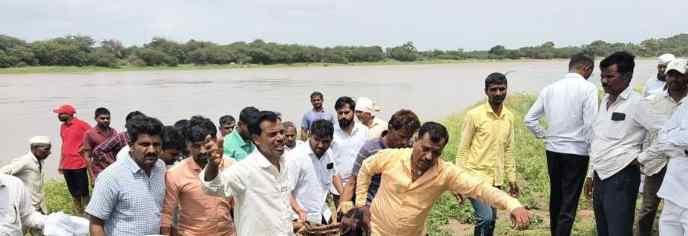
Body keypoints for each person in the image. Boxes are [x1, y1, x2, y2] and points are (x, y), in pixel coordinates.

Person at [355, 122, 531, 236]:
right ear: (415, 141)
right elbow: (365, 169)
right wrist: (361, 205)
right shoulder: (390, 157)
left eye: (436, 152)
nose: (429, 157)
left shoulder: (446, 173)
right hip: (375, 231)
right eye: (425, 149)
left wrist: (512, 204)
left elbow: (480, 188)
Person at [583, 51, 666, 236]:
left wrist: (642, 157)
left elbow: (664, 133)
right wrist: (590, 174)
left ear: (627, 76)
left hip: (621, 176)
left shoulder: (638, 104)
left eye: (610, 76)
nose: (604, 81)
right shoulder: (604, 100)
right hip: (600, 175)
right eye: (602, 76)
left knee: (618, 231)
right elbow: (598, 140)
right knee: (603, 230)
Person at [523, 53, 597, 236]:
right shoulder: (588, 88)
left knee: (556, 197)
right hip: (577, 152)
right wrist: (592, 156)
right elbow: (591, 125)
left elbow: (529, 119)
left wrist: (546, 135)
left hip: (553, 150)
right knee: (569, 202)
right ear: (586, 68)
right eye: (591, 71)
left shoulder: (550, 88)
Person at [201, 111, 294, 235]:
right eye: (272, 134)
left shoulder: (285, 163)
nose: (280, 138)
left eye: (281, 132)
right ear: (256, 139)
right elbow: (213, 188)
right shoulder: (246, 169)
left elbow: (283, 206)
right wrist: (213, 164)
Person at [456, 72, 519, 236]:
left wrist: (512, 178)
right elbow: (463, 149)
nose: (498, 93)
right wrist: (458, 180)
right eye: (494, 90)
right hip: (474, 177)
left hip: (496, 179)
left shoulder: (509, 117)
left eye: (502, 89)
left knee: (491, 222)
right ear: (486, 91)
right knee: (485, 217)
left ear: (506, 90)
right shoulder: (474, 115)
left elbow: (509, 149)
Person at [85, 116, 166, 236]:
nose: (151, 150)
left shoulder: (160, 167)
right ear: (131, 145)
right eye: (145, 144)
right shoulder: (111, 177)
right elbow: (96, 223)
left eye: (156, 144)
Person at [637, 58, 688, 236]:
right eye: (671, 74)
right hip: (656, 162)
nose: (674, 79)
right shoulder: (652, 100)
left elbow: (682, 139)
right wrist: (642, 158)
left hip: (680, 167)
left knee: (678, 210)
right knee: (648, 207)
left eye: (679, 75)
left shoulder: (686, 103)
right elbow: (654, 135)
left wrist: (671, 140)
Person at [161, 116, 235, 235]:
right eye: (196, 146)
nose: (202, 151)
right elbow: (167, 213)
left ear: (216, 140)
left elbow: (239, 207)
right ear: (188, 145)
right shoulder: (175, 173)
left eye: (206, 144)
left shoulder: (231, 166)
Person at [339, 109, 421, 211]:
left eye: (408, 138)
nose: (405, 141)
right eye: (402, 136)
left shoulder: (408, 151)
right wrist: (343, 205)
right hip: (369, 209)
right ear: (390, 128)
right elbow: (353, 182)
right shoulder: (370, 149)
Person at [286, 119, 341, 225]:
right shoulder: (295, 157)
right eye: (317, 140)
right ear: (309, 135)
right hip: (301, 218)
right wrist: (299, 210)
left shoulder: (328, 153)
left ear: (331, 140)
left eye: (325, 142)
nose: (320, 145)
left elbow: (334, 173)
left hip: (322, 214)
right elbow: (285, 191)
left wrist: (344, 198)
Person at [1, 136, 51, 236]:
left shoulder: (39, 162)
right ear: (34, 148)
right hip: (22, 208)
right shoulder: (25, 161)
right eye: (46, 149)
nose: (49, 153)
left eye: (49, 149)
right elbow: (4, 172)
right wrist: (14, 186)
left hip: (36, 208)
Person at [54, 104, 91, 215]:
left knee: (84, 191)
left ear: (69, 114)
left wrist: (84, 147)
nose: (59, 116)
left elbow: (93, 135)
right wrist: (61, 163)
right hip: (66, 164)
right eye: (58, 114)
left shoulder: (81, 125)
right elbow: (64, 144)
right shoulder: (63, 127)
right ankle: (78, 213)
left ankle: (88, 213)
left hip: (79, 163)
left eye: (61, 114)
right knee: (73, 192)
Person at [330, 96, 368, 203]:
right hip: (338, 186)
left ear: (354, 112)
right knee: (342, 217)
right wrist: (342, 192)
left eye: (346, 112)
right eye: (340, 113)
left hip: (360, 185)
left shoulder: (364, 131)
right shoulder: (332, 132)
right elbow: (328, 161)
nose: (343, 116)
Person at [91, 110, 145, 179]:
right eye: (135, 124)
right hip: (124, 173)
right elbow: (98, 150)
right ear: (127, 125)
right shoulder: (121, 137)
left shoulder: (146, 137)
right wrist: (113, 163)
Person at [81, 107, 117, 185]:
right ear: (96, 119)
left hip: (114, 170)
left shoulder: (114, 132)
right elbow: (87, 157)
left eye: (108, 118)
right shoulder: (89, 134)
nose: (106, 120)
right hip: (99, 171)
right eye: (102, 118)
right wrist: (92, 177)